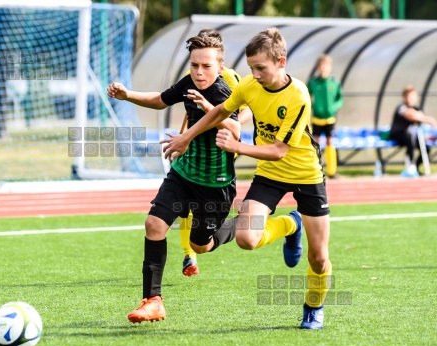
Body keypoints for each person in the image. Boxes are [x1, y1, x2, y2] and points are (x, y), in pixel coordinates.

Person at [162, 27, 333, 329]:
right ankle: (291, 224)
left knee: (319, 257)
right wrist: (185, 137)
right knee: (246, 238)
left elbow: (280, 150)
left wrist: (237, 146)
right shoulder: (249, 86)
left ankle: (313, 306)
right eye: (251, 67)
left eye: (261, 68)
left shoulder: (298, 95)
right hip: (268, 176)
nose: (253, 74)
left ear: (282, 62)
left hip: (306, 175)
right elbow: (218, 113)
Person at [107, 35, 240, 323]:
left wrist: (206, 108)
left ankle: (242, 223)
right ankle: (152, 301)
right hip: (183, 174)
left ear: (220, 66)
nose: (199, 72)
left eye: (206, 66)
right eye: (194, 65)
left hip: (215, 186)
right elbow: (160, 100)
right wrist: (127, 95)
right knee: (154, 224)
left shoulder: (224, 92)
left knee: (201, 245)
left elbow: (236, 128)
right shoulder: (188, 82)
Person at [178, 28, 253, 278]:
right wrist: (183, 138)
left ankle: (200, 243)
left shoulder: (229, 79)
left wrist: (232, 127)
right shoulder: (195, 75)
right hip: (196, 145)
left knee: (200, 199)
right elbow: (191, 112)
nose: (200, 68)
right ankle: (189, 253)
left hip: (220, 146)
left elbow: (248, 109)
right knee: (185, 202)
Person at [307, 54, 343, 179]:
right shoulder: (313, 83)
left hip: (330, 118)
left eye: (326, 66)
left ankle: (332, 172)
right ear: (318, 67)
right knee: (316, 143)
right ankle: (315, 170)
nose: (323, 69)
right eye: (321, 66)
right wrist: (313, 106)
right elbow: (306, 97)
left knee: (330, 142)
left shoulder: (334, 83)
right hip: (317, 118)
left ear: (330, 68)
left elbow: (340, 99)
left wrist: (334, 107)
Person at [389, 85, 437, 177]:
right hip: (397, 134)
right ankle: (410, 166)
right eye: (408, 96)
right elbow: (411, 115)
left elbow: (419, 119)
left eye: (412, 96)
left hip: (410, 135)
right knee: (409, 139)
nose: (410, 99)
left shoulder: (417, 108)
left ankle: (415, 168)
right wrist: (429, 119)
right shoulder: (401, 107)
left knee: (425, 148)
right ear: (404, 97)